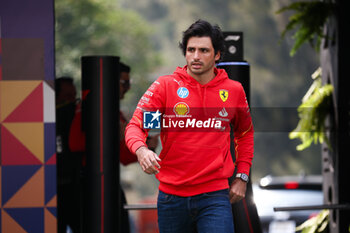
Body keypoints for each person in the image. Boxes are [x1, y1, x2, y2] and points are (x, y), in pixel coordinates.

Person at [124, 19, 254, 233]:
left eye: (204, 50)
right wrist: (142, 150)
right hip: (171, 198)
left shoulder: (233, 90)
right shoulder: (165, 88)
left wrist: (242, 176)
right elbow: (137, 126)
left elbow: (245, 134)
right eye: (191, 49)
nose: (195, 56)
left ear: (217, 54)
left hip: (214, 197)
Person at [69, 62, 158, 233]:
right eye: (124, 83)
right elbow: (74, 143)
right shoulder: (88, 105)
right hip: (85, 185)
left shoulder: (116, 114)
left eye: (129, 83)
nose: (127, 88)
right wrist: (108, 134)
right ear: (110, 81)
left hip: (109, 182)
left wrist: (146, 148)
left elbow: (124, 156)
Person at [55, 77, 82, 233]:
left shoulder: (78, 117)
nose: (72, 101)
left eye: (74, 96)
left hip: (75, 188)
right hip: (53, 189)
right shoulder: (46, 121)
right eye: (67, 97)